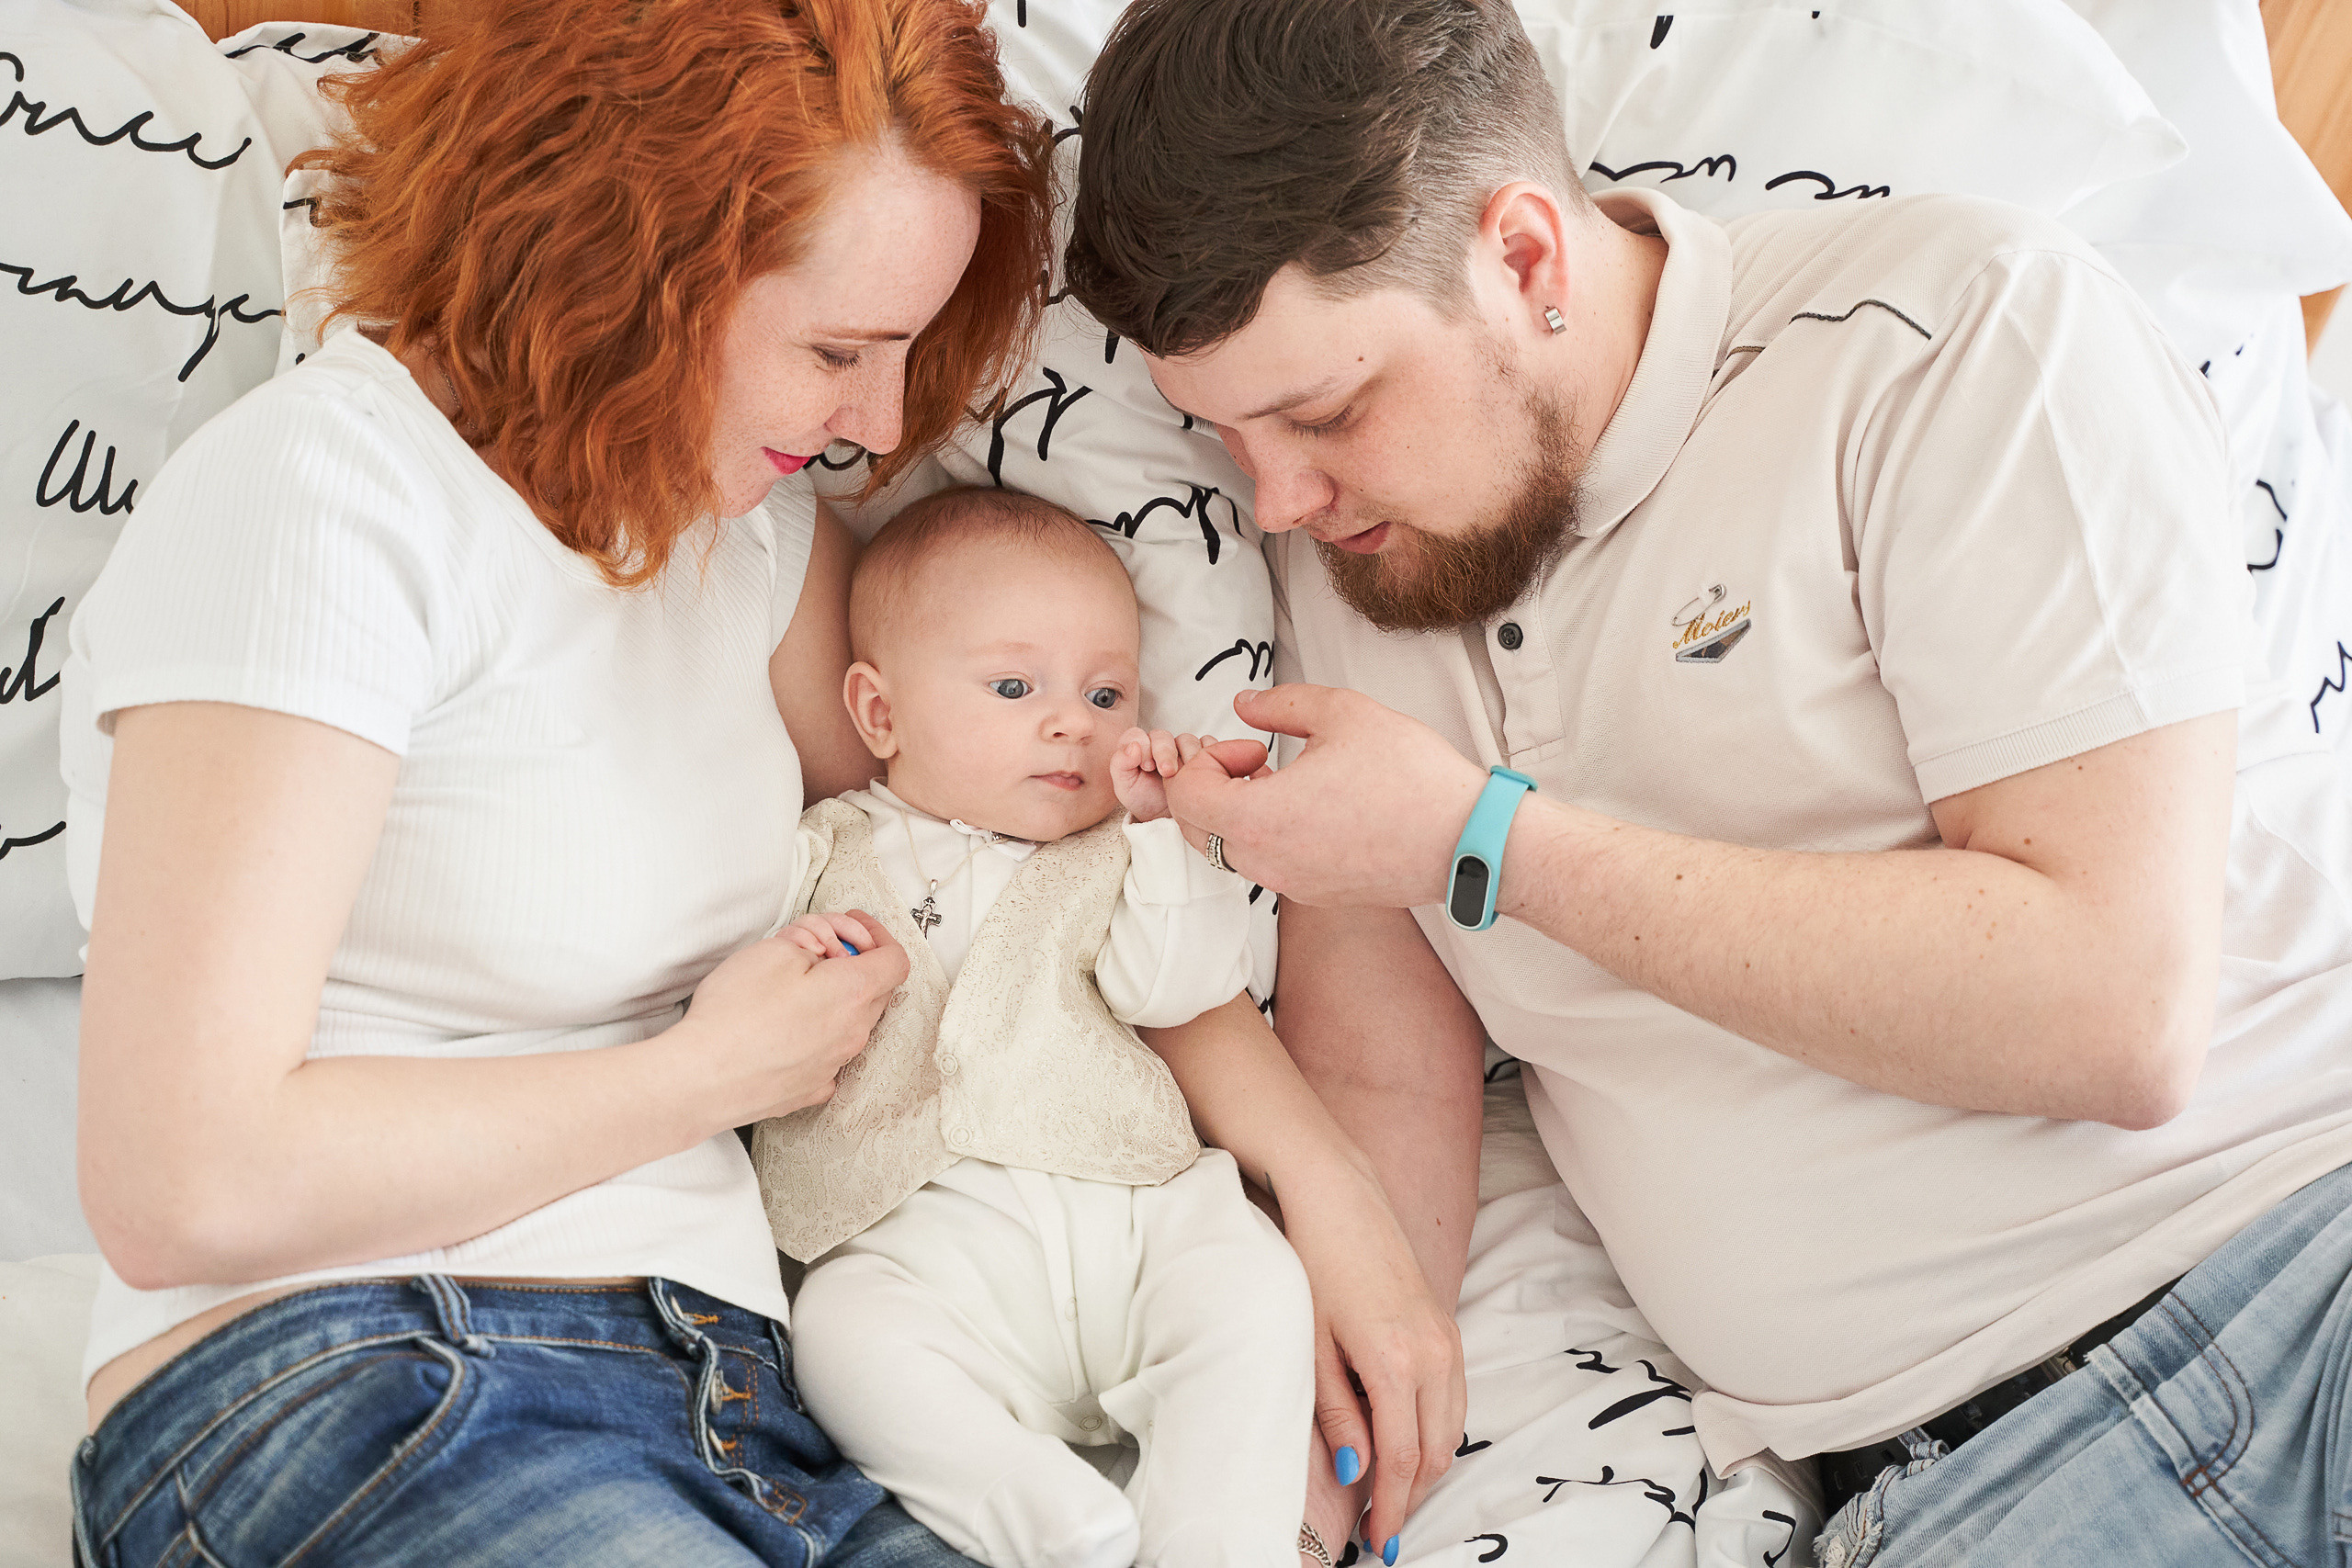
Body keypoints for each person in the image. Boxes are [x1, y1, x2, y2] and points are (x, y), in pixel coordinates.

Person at [1060, 0, 2352, 1562]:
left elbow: (2114, 1009)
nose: (1281, 493)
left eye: (1325, 413)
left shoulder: (1954, 335)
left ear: (1525, 258)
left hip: (2296, 1272)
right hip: (1958, 1491)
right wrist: (1313, 1437)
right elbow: (1390, 1070)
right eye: (1230, 436)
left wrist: (1491, 842)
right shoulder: (1349, 568)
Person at [58, 0, 1056, 1561]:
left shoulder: (749, 538)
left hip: (736, 1398)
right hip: (353, 1373)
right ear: (621, 273)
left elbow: (1009, 805)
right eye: (834, 351)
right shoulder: (324, 503)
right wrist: (703, 1078)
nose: (874, 426)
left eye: (905, 354)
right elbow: (179, 1179)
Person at [758, 486, 1413, 1568]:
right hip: (925, 1246)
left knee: (1254, 1295)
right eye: (1014, 686)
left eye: (1106, 692)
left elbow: (1176, 987)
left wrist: (1174, 841)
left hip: (1137, 1219)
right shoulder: (822, 851)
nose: (1071, 721)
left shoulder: (1116, 855)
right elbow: (729, 959)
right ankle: (1053, 1524)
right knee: (838, 1333)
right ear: (879, 714)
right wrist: (789, 958)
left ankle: (1216, 1546)